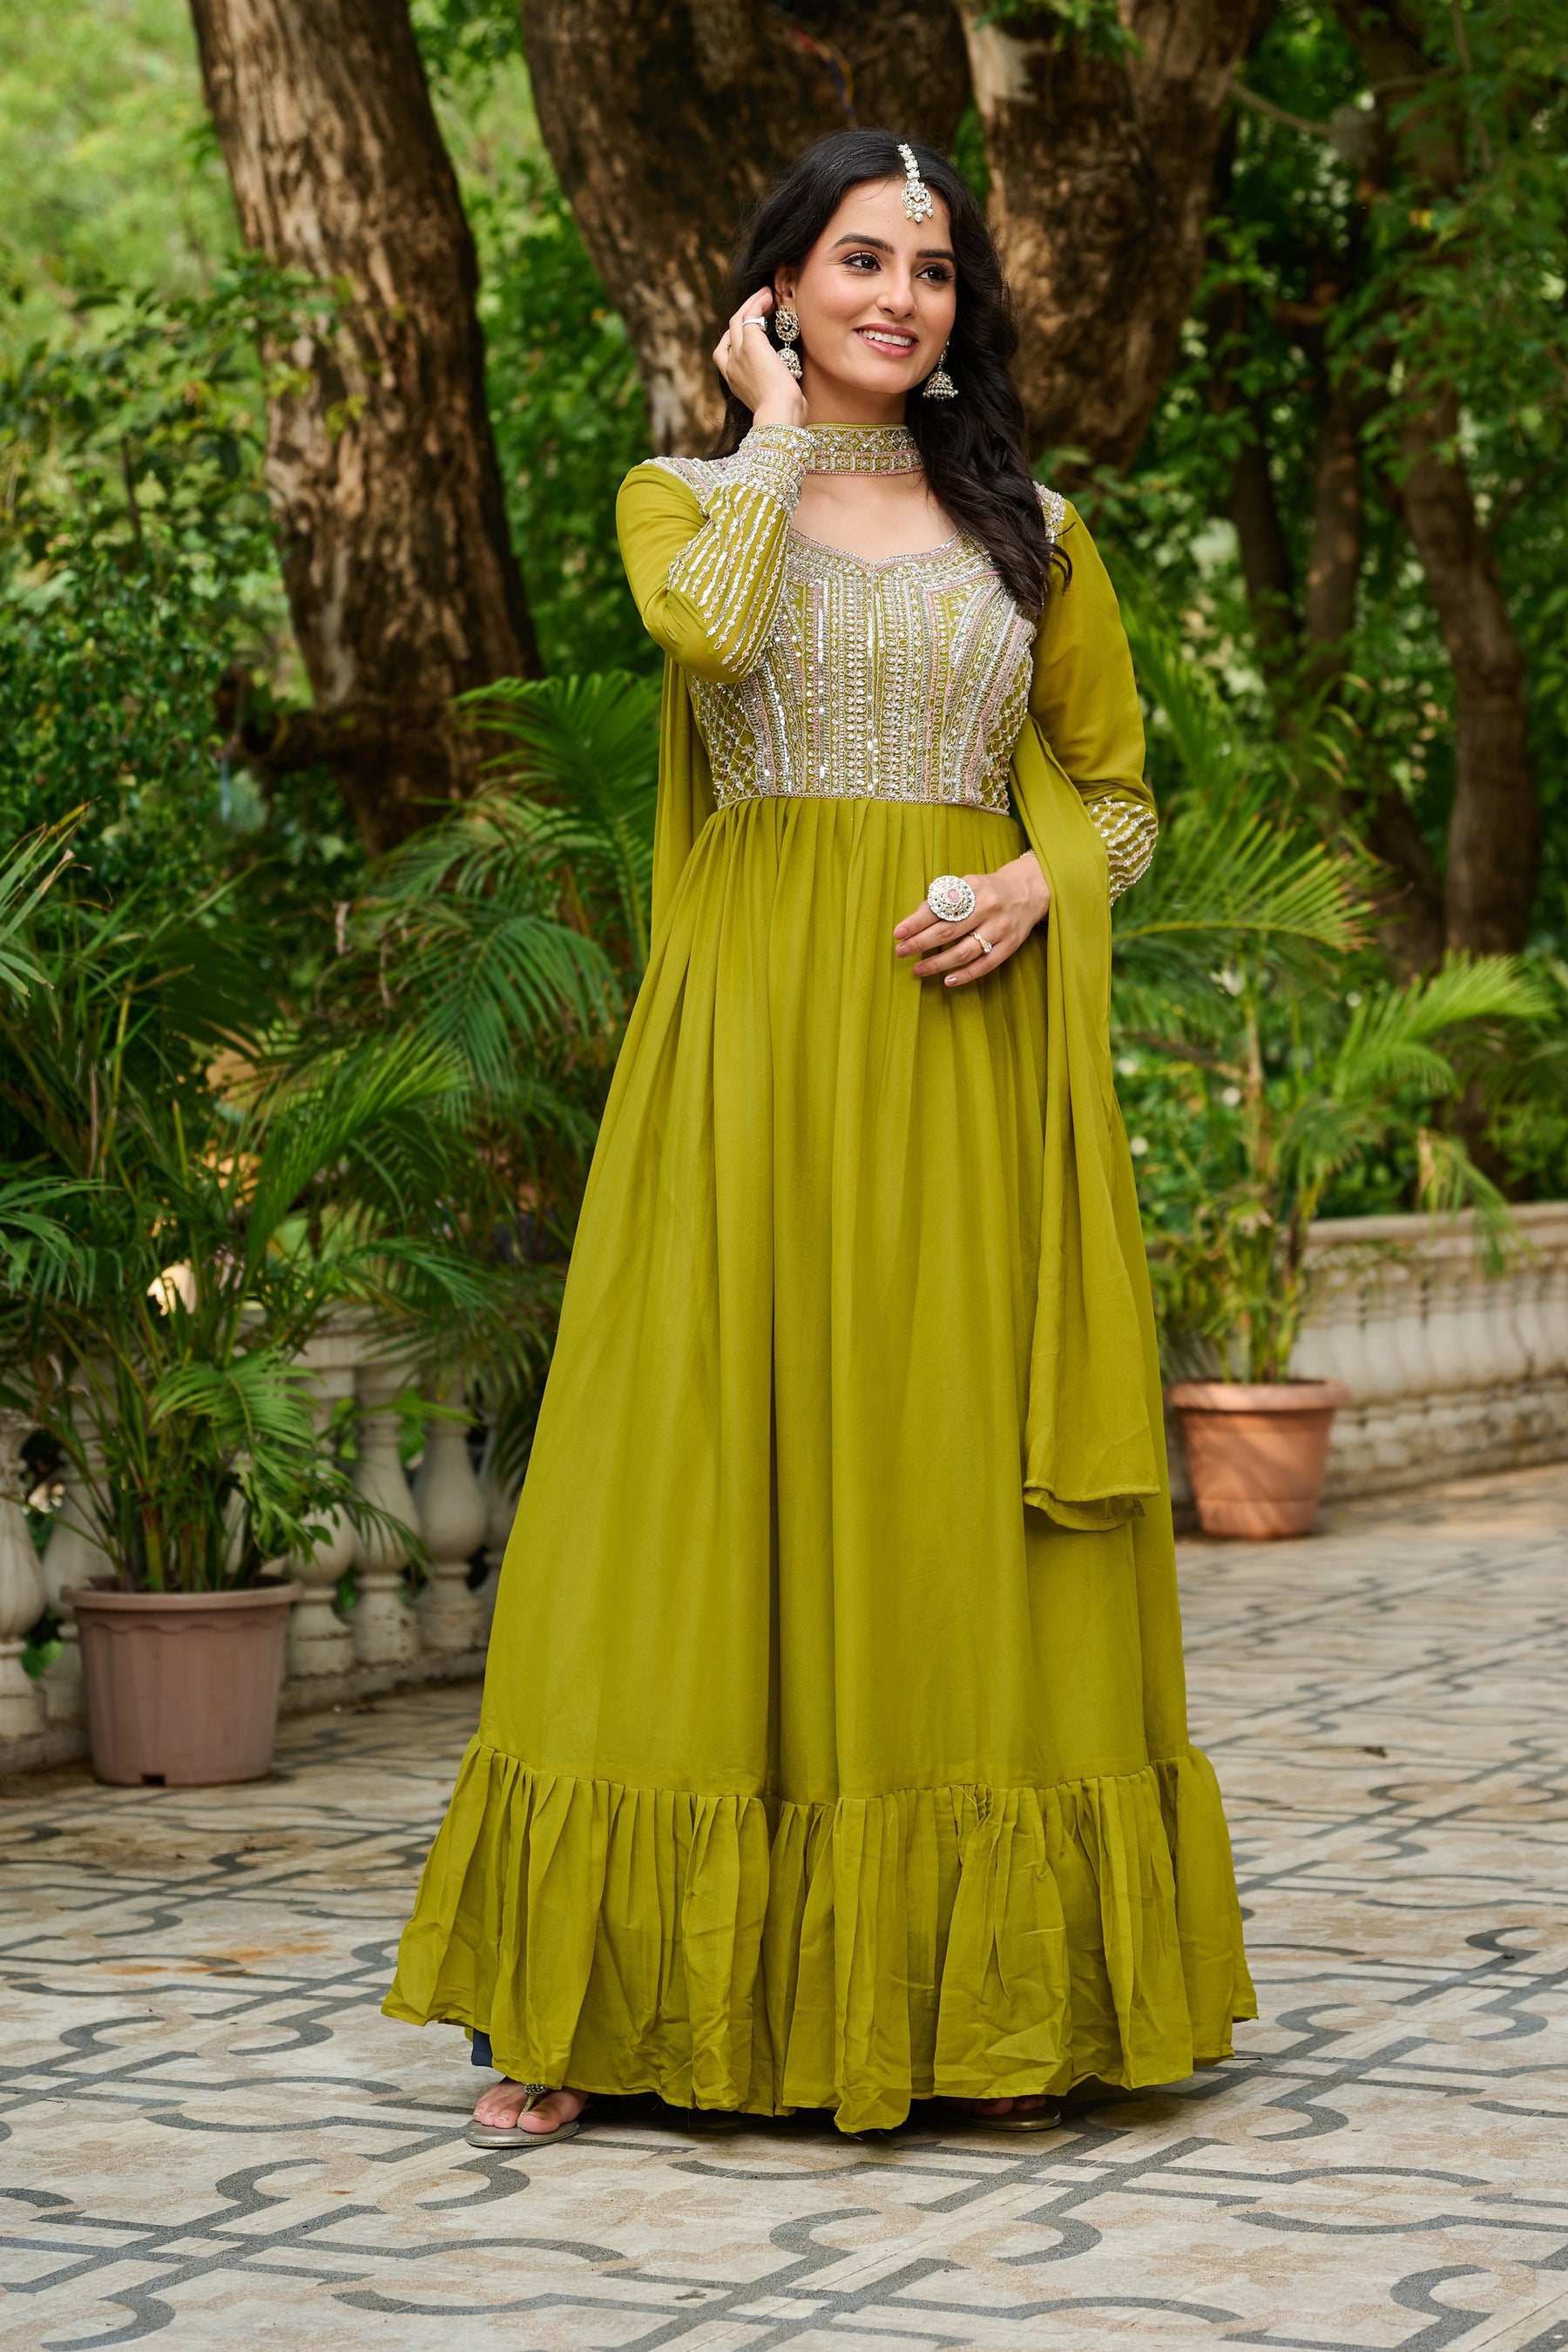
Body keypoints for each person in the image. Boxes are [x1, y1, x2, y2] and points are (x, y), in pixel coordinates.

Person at [384, 128, 1254, 2145]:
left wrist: (1040, 890)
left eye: (932, 272)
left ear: (965, 310)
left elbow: (1119, 800)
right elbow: (702, 632)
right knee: (678, 1492)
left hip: (961, 1080)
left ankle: (992, 2003)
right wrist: (768, 424)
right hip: (748, 1065)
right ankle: (592, 2007)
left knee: (946, 1499)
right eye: (858, 262)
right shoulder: (685, 495)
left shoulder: (1034, 528)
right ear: (782, 285)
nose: (899, 298)